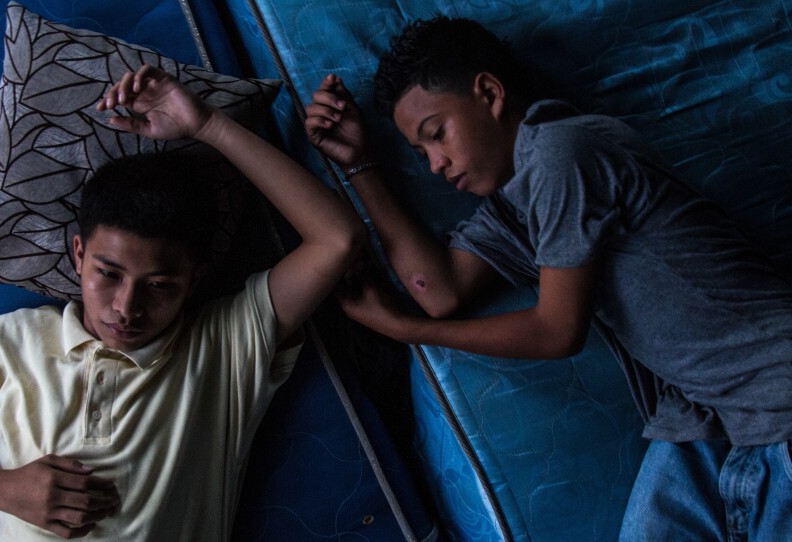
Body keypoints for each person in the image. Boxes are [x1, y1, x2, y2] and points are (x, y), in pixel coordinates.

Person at [305, 15, 792, 541]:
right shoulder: (514, 207)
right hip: (708, 421)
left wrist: (404, 331)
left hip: (774, 397)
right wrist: (360, 165)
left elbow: (558, 330)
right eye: (422, 154)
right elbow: (437, 290)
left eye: (437, 135)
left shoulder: (564, 152)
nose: (435, 166)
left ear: (489, 94)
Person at [0, 64, 365, 540]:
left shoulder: (226, 347)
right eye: (108, 274)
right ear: (79, 254)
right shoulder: (7, 344)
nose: (126, 308)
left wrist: (208, 125)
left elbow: (338, 239)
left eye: (161, 285)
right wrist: (1, 491)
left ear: (196, 279)